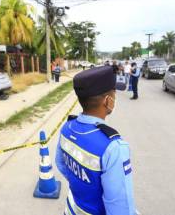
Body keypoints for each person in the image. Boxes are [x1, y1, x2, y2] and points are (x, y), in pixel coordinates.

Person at [55, 66, 136, 215]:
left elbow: (61, 164)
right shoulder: (113, 147)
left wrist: (82, 186)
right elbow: (120, 206)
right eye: (114, 95)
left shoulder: (67, 127)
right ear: (107, 101)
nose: (115, 99)